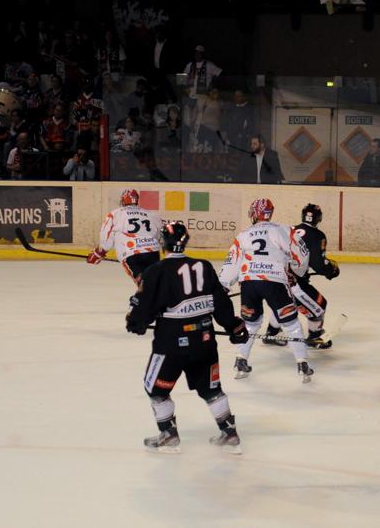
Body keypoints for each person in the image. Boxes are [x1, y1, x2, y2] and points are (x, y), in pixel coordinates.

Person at [126, 221, 249, 454]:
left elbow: (144, 307)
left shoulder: (156, 271)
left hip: (171, 343)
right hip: (204, 340)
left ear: (163, 242)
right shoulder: (203, 266)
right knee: (212, 389)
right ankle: (230, 433)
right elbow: (221, 304)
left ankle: (168, 435)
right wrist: (234, 327)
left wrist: (136, 322)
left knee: (156, 389)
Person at [218, 198, 314, 382]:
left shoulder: (243, 235)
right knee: (291, 323)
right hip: (275, 281)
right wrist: (298, 271)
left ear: (254, 213)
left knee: (251, 323)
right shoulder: (284, 230)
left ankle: (241, 360)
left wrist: (223, 285)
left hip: (249, 283)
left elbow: (232, 262)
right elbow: (302, 253)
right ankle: (302, 364)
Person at [263, 204, 341, 349]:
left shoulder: (291, 229)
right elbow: (318, 263)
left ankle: (271, 333)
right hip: (293, 280)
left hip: (276, 275)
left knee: (286, 303)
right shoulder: (318, 235)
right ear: (318, 218)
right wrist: (331, 270)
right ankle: (315, 336)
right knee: (319, 305)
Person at [87, 189, 163, 284]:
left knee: (143, 283)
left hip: (131, 253)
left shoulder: (116, 213)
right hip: (153, 252)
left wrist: (99, 253)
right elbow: (161, 234)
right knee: (154, 280)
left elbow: (106, 235)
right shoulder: (151, 214)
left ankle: (143, 298)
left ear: (123, 200)